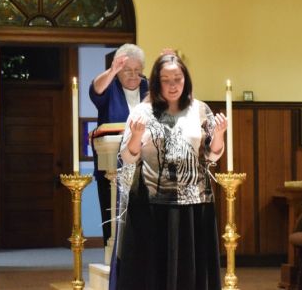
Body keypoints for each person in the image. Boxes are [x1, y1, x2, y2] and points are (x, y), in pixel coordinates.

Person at [115, 52, 227, 290]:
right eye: (166, 79)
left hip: (194, 204)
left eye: (178, 78)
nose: (173, 85)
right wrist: (135, 137)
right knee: (152, 273)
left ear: (186, 79)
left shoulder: (199, 109)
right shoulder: (141, 112)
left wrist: (219, 135)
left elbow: (212, 155)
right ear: (156, 82)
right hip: (151, 204)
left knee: (191, 271)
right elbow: (127, 156)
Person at [89, 43, 149, 246]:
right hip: (111, 166)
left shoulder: (148, 87)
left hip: (147, 166)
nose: (133, 76)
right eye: (127, 70)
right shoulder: (109, 86)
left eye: (137, 71)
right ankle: (113, 256)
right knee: (114, 218)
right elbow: (95, 89)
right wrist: (112, 70)